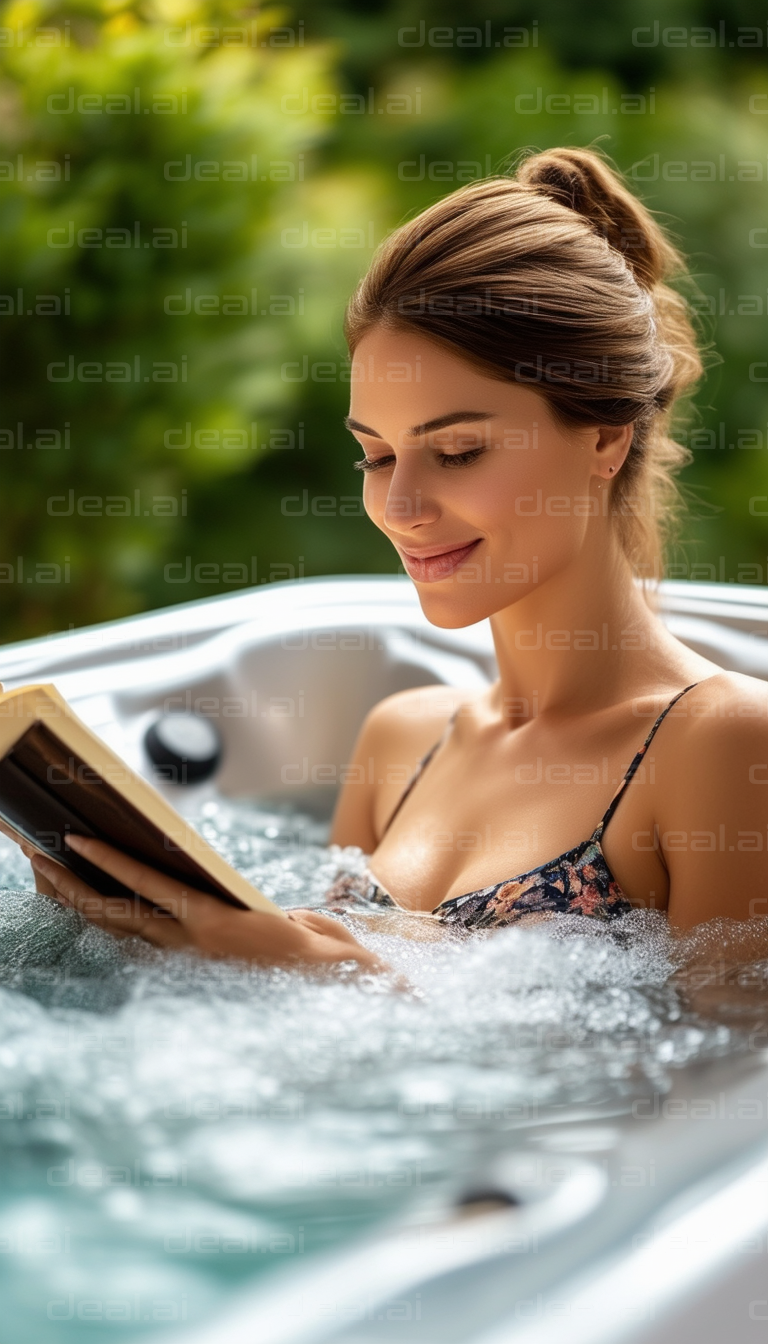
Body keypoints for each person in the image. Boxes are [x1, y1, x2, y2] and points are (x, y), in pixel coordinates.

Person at [23, 147, 768, 970]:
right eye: (376, 457)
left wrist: (330, 973)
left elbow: (719, 1083)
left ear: (602, 438)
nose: (400, 509)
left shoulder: (723, 742)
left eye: (456, 451)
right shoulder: (400, 740)